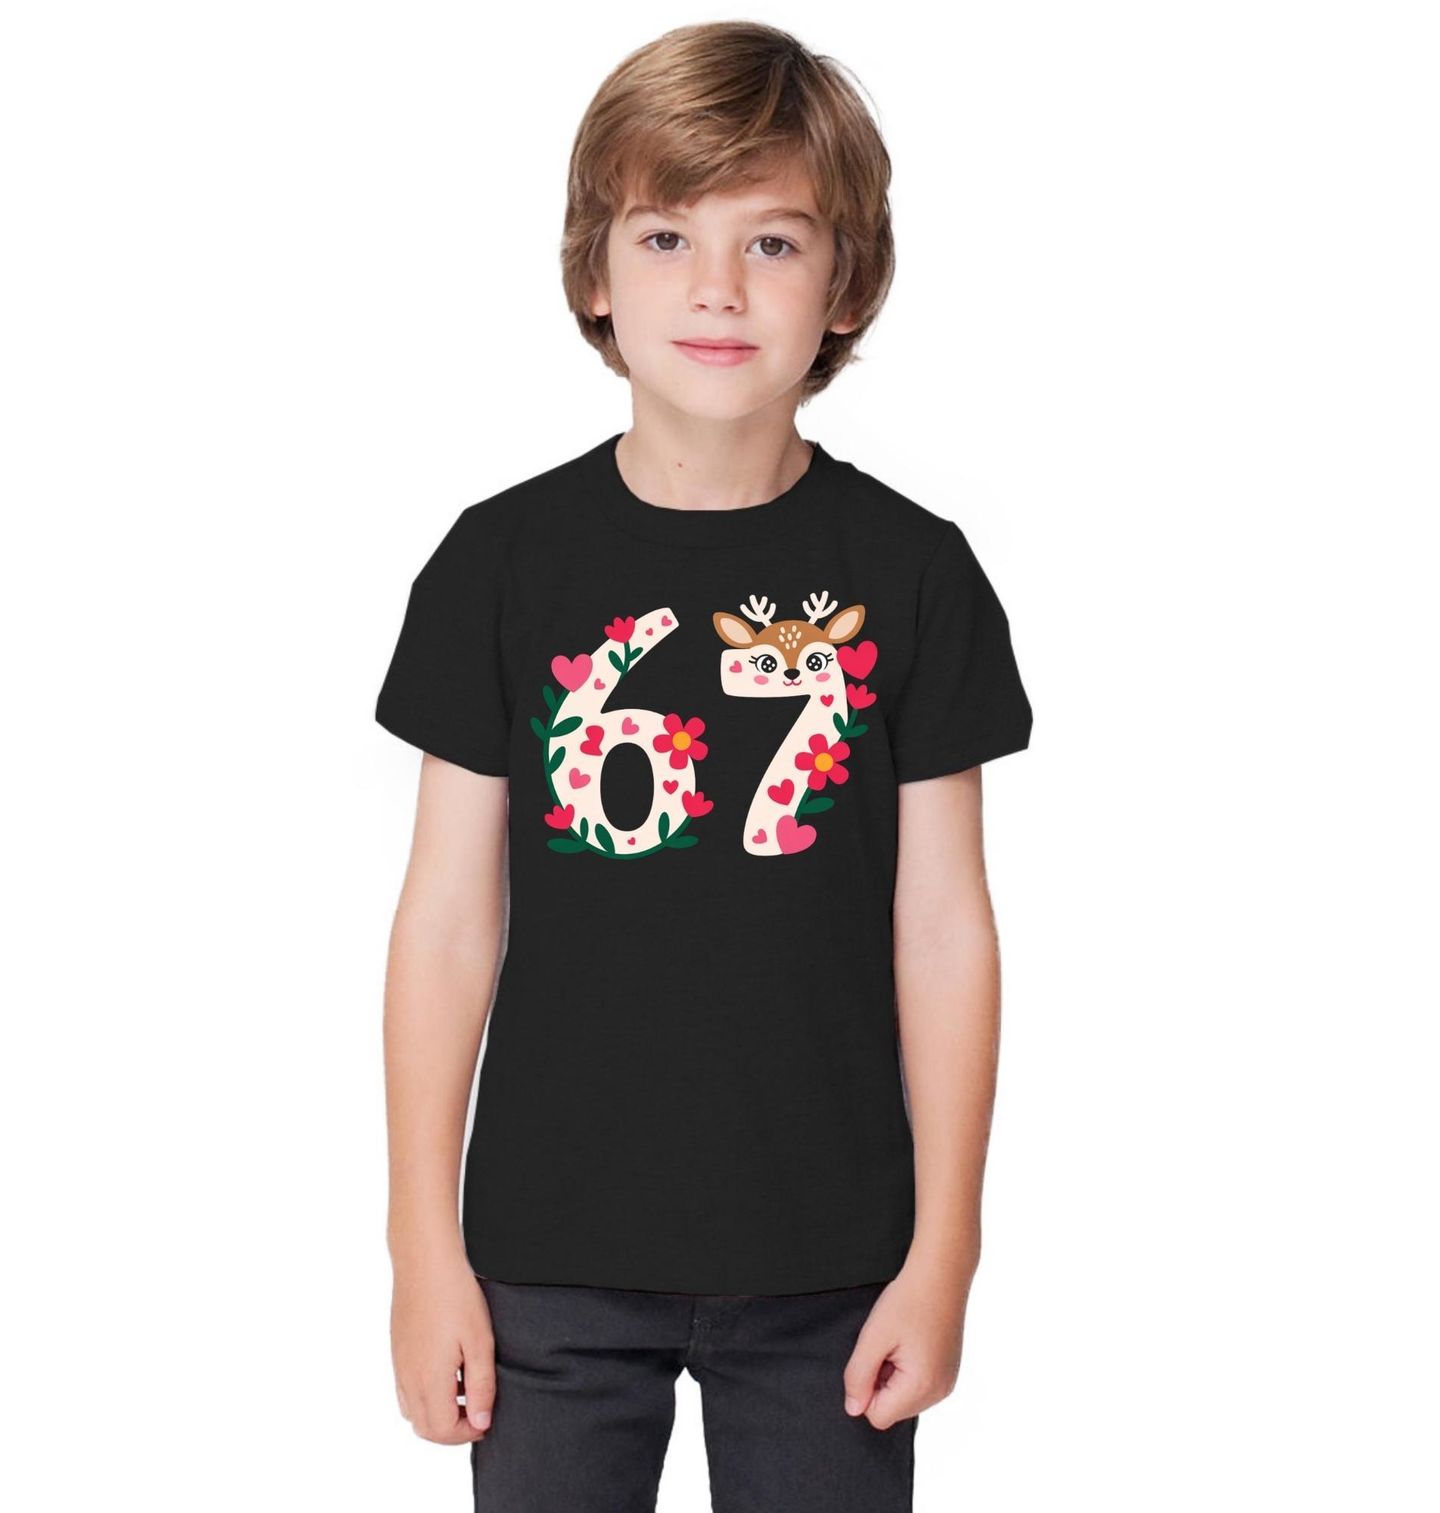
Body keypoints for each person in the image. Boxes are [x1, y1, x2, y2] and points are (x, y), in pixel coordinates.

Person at [375, 21, 1033, 1512]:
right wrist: (422, 1245)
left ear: (847, 282)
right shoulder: (499, 566)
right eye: (667, 235)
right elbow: (445, 923)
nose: (719, 287)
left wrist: (946, 1252)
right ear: (595, 274)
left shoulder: (918, 574)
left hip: (832, 1264)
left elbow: (944, 931)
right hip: (545, 1255)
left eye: (773, 241)